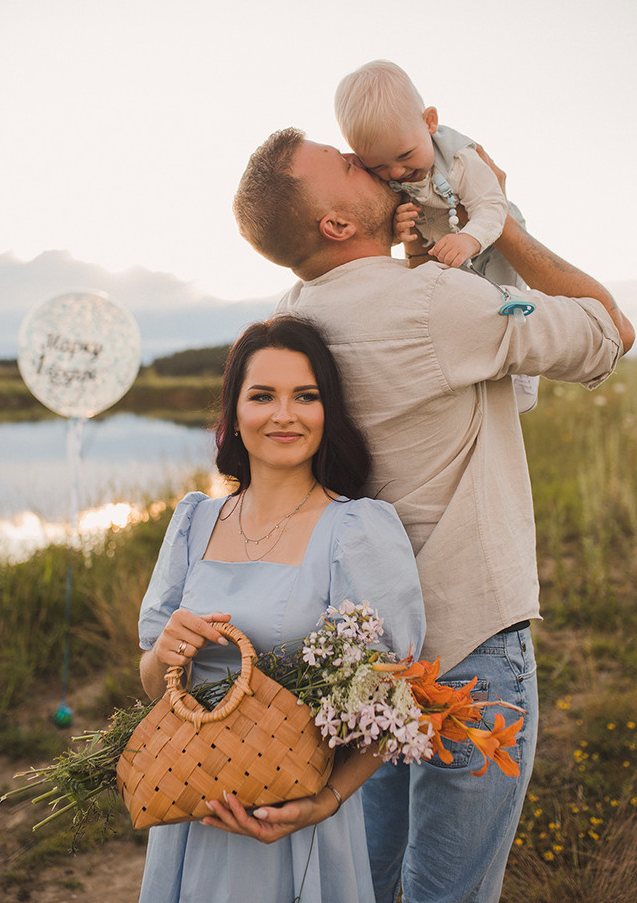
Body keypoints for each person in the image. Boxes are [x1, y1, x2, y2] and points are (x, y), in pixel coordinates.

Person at [232, 128, 635, 903]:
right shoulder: (433, 302)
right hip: (467, 646)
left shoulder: (293, 317)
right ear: (336, 225)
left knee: (367, 882)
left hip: (363, 661)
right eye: (348, 165)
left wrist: (440, 250)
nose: (369, 161)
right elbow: (606, 332)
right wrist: (498, 214)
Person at [136, 315, 427, 903]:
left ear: (329, 413)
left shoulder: (357, 529)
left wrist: (326, 800)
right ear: (235, 413)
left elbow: (400, 693)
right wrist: (166, 654)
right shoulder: (193, 521)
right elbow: (152, 685)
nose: (283, 414)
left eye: (306, 396)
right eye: (262, 396)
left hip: (298, 822)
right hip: (196, 805)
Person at [335, 59, 539, 414]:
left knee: (505, 301)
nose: (396, 172)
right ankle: (483, 374)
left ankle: (525, 370)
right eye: (379, 167)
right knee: (468, 312)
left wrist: (469, 240)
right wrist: (399, 230)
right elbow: (395, 233)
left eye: (404, 156)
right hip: (445, 248)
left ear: (430, 122)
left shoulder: (461, 160)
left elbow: (493, 207)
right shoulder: (397, 171)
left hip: (491, 244)